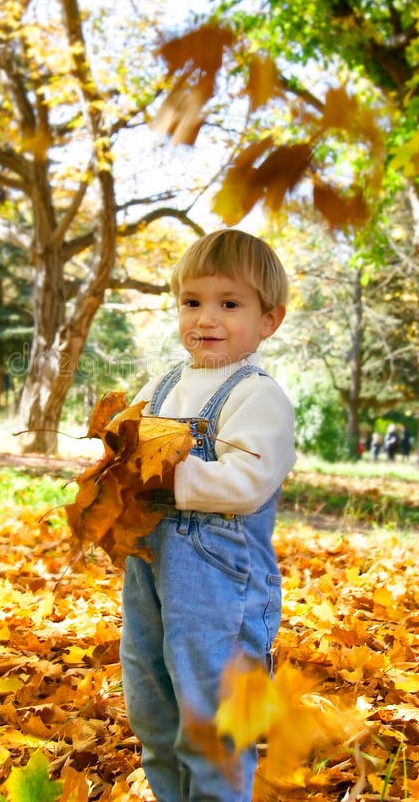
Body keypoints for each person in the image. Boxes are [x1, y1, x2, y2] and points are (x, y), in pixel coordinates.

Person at [120, 229, 296, 801]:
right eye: (192, 302)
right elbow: (132, 438)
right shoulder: (164, 383)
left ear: (268, 320)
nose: (206, 319)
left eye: (229, 304)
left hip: (218, 576)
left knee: (209, 713)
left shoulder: (257, 395)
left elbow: (247, 482)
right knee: (152, 701)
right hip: (151, 564)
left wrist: (172, 474)